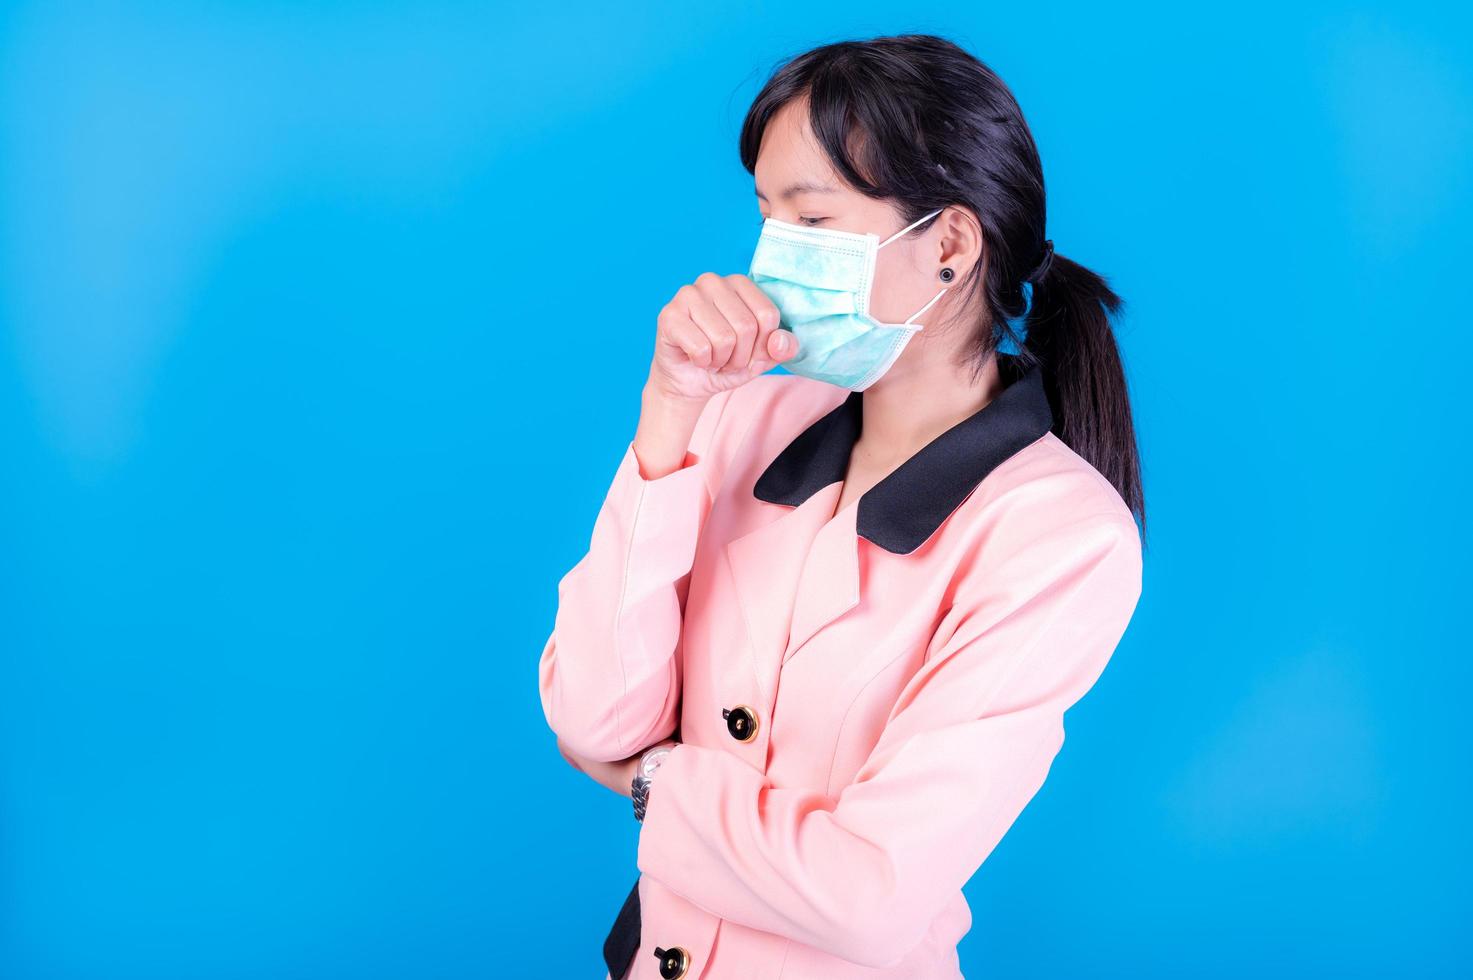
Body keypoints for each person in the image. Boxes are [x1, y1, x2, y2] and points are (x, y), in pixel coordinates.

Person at [538, 33, 1145, 980]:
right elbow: (591, 718)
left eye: (811, 224)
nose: (770, 260)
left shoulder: (1060, 536)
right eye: (766, 220)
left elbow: (868, 894)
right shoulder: (744, 413)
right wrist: (668, 415)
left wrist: (657, 781)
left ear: (946, 245)